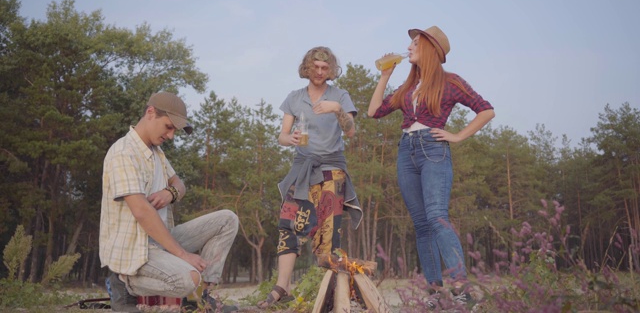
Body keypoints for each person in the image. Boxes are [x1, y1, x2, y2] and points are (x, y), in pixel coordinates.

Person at [367, 26, 495, 306]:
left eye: (415, 43)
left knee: (437, 216)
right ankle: (435, 294)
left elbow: (486, 110)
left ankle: (463, 289)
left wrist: (458, 135)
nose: (409, 47)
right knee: (422, 225)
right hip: (406, 152)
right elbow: (374, 111)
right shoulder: (407, 88)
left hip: (433, 149)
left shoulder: (451, 81)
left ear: (431, 49)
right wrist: (384, 76)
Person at [99, 91, 239, 313]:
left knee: (227, 220)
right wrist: (182, 255)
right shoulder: (123, 153)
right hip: (136, 249)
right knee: (188, 278)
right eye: (169, 127)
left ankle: (201, 297)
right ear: (150, 113)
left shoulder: (156, 152)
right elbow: (142, 211)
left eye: (175, 130)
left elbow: (179, 183)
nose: (171, 135)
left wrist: (170, 193)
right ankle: (123, 284)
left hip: (161, 241)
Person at [257, 47, 363, 309]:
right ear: (306, 67)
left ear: (331, 70)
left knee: (327, 233)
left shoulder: (340, 96)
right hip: (302, 168)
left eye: (324, 68)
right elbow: (282, 135)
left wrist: (337, 109)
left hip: (331, 169)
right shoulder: (294, 98)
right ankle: (282, 287)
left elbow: (350, 132)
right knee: (288, 224)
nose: (319, 72)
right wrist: (289, 138)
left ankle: (323, 290)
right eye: (314, 67)